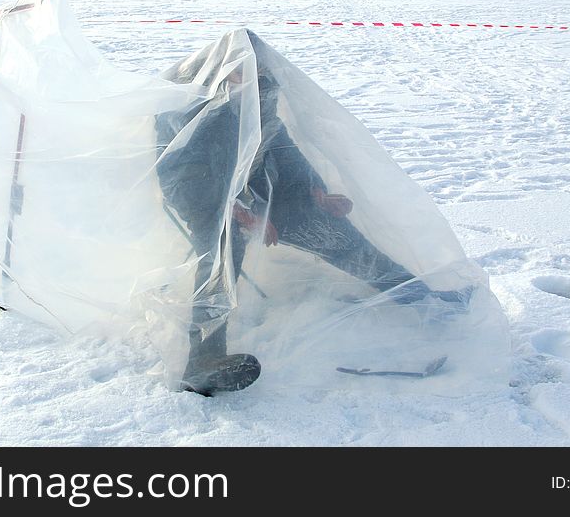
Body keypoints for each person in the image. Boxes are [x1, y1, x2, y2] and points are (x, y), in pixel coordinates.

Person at [156, 31, 467, 396]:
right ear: (224, 67)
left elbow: (280, 144)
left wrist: (314, 190)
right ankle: (202, 360)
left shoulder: (262, 89)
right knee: (225, 245)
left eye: (256, 72)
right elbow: (179, 173)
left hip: (258, 189)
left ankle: (419, 297)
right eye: (243, 72)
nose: (253, 79)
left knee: (333, 231)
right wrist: (236, 211)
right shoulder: (187, 100)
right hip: (203, 195)